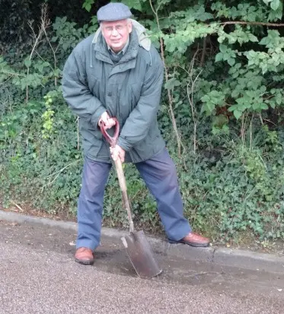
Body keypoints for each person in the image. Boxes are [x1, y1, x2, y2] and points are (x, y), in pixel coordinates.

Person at [62, 2, 210, 265]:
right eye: (109, 28)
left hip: (141, 135)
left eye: (119, 27)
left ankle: (178, 231)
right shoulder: (85, 51)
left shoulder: (148, 55)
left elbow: (147, 106)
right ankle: (85, 243)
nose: (114, 33)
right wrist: (97, 113)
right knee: (92, 188)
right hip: (99, 134)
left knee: (166, 177)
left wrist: (125, 142)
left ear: (129, 27)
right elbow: (72, 87)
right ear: (102, 29)